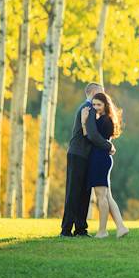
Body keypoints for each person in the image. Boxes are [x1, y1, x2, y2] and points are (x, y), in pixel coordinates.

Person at [59, 82, 115, 237]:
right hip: (78, 154)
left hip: (85, 156)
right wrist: (108, 145)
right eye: (101, 93)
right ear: (93, 92)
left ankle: (80, 229)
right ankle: (66, 229)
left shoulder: (91, 110)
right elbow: (91, 134)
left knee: (84, 192)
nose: (103, 96)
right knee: (74, 191)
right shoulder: (88, 108)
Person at [82, 92, 129, 239]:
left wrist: (84, 121)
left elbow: (90, 136)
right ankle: (121, 227)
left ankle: (102, 231)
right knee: (107, 196)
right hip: (104, 158)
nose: (95, 107)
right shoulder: (106, 119)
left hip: (99, 159)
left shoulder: (103, 120)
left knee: (101, 196)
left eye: (99, 105)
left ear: (105, 105)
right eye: (94, 104)